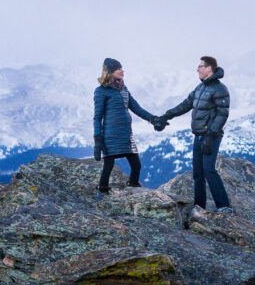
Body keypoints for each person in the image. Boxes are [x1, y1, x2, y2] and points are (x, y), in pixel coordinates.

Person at [159, 56, 232, 214]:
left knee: (209, 169)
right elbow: (185, 105)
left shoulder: (220, 89)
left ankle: (224, 206)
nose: (197, 69)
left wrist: (211, 136)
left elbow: (222, 114)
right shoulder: (200, 88)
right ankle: (199, 207)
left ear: (209, 68)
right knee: (198, 173)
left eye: (200, 66)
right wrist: (166, 116)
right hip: (198, 135)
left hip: (211, 136)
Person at [93, 57, 162, 193]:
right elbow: (97, 116)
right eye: (119, 68)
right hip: (110, 135)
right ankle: (102, 191)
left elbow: (136, 108)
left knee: (136, 164)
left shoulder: (123, 89)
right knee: (108, 165)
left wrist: (152, 119)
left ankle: (133, 187)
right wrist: (97, 138)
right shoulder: (101, 91)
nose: (122, 71)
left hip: (126, 134)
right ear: (110, 71)